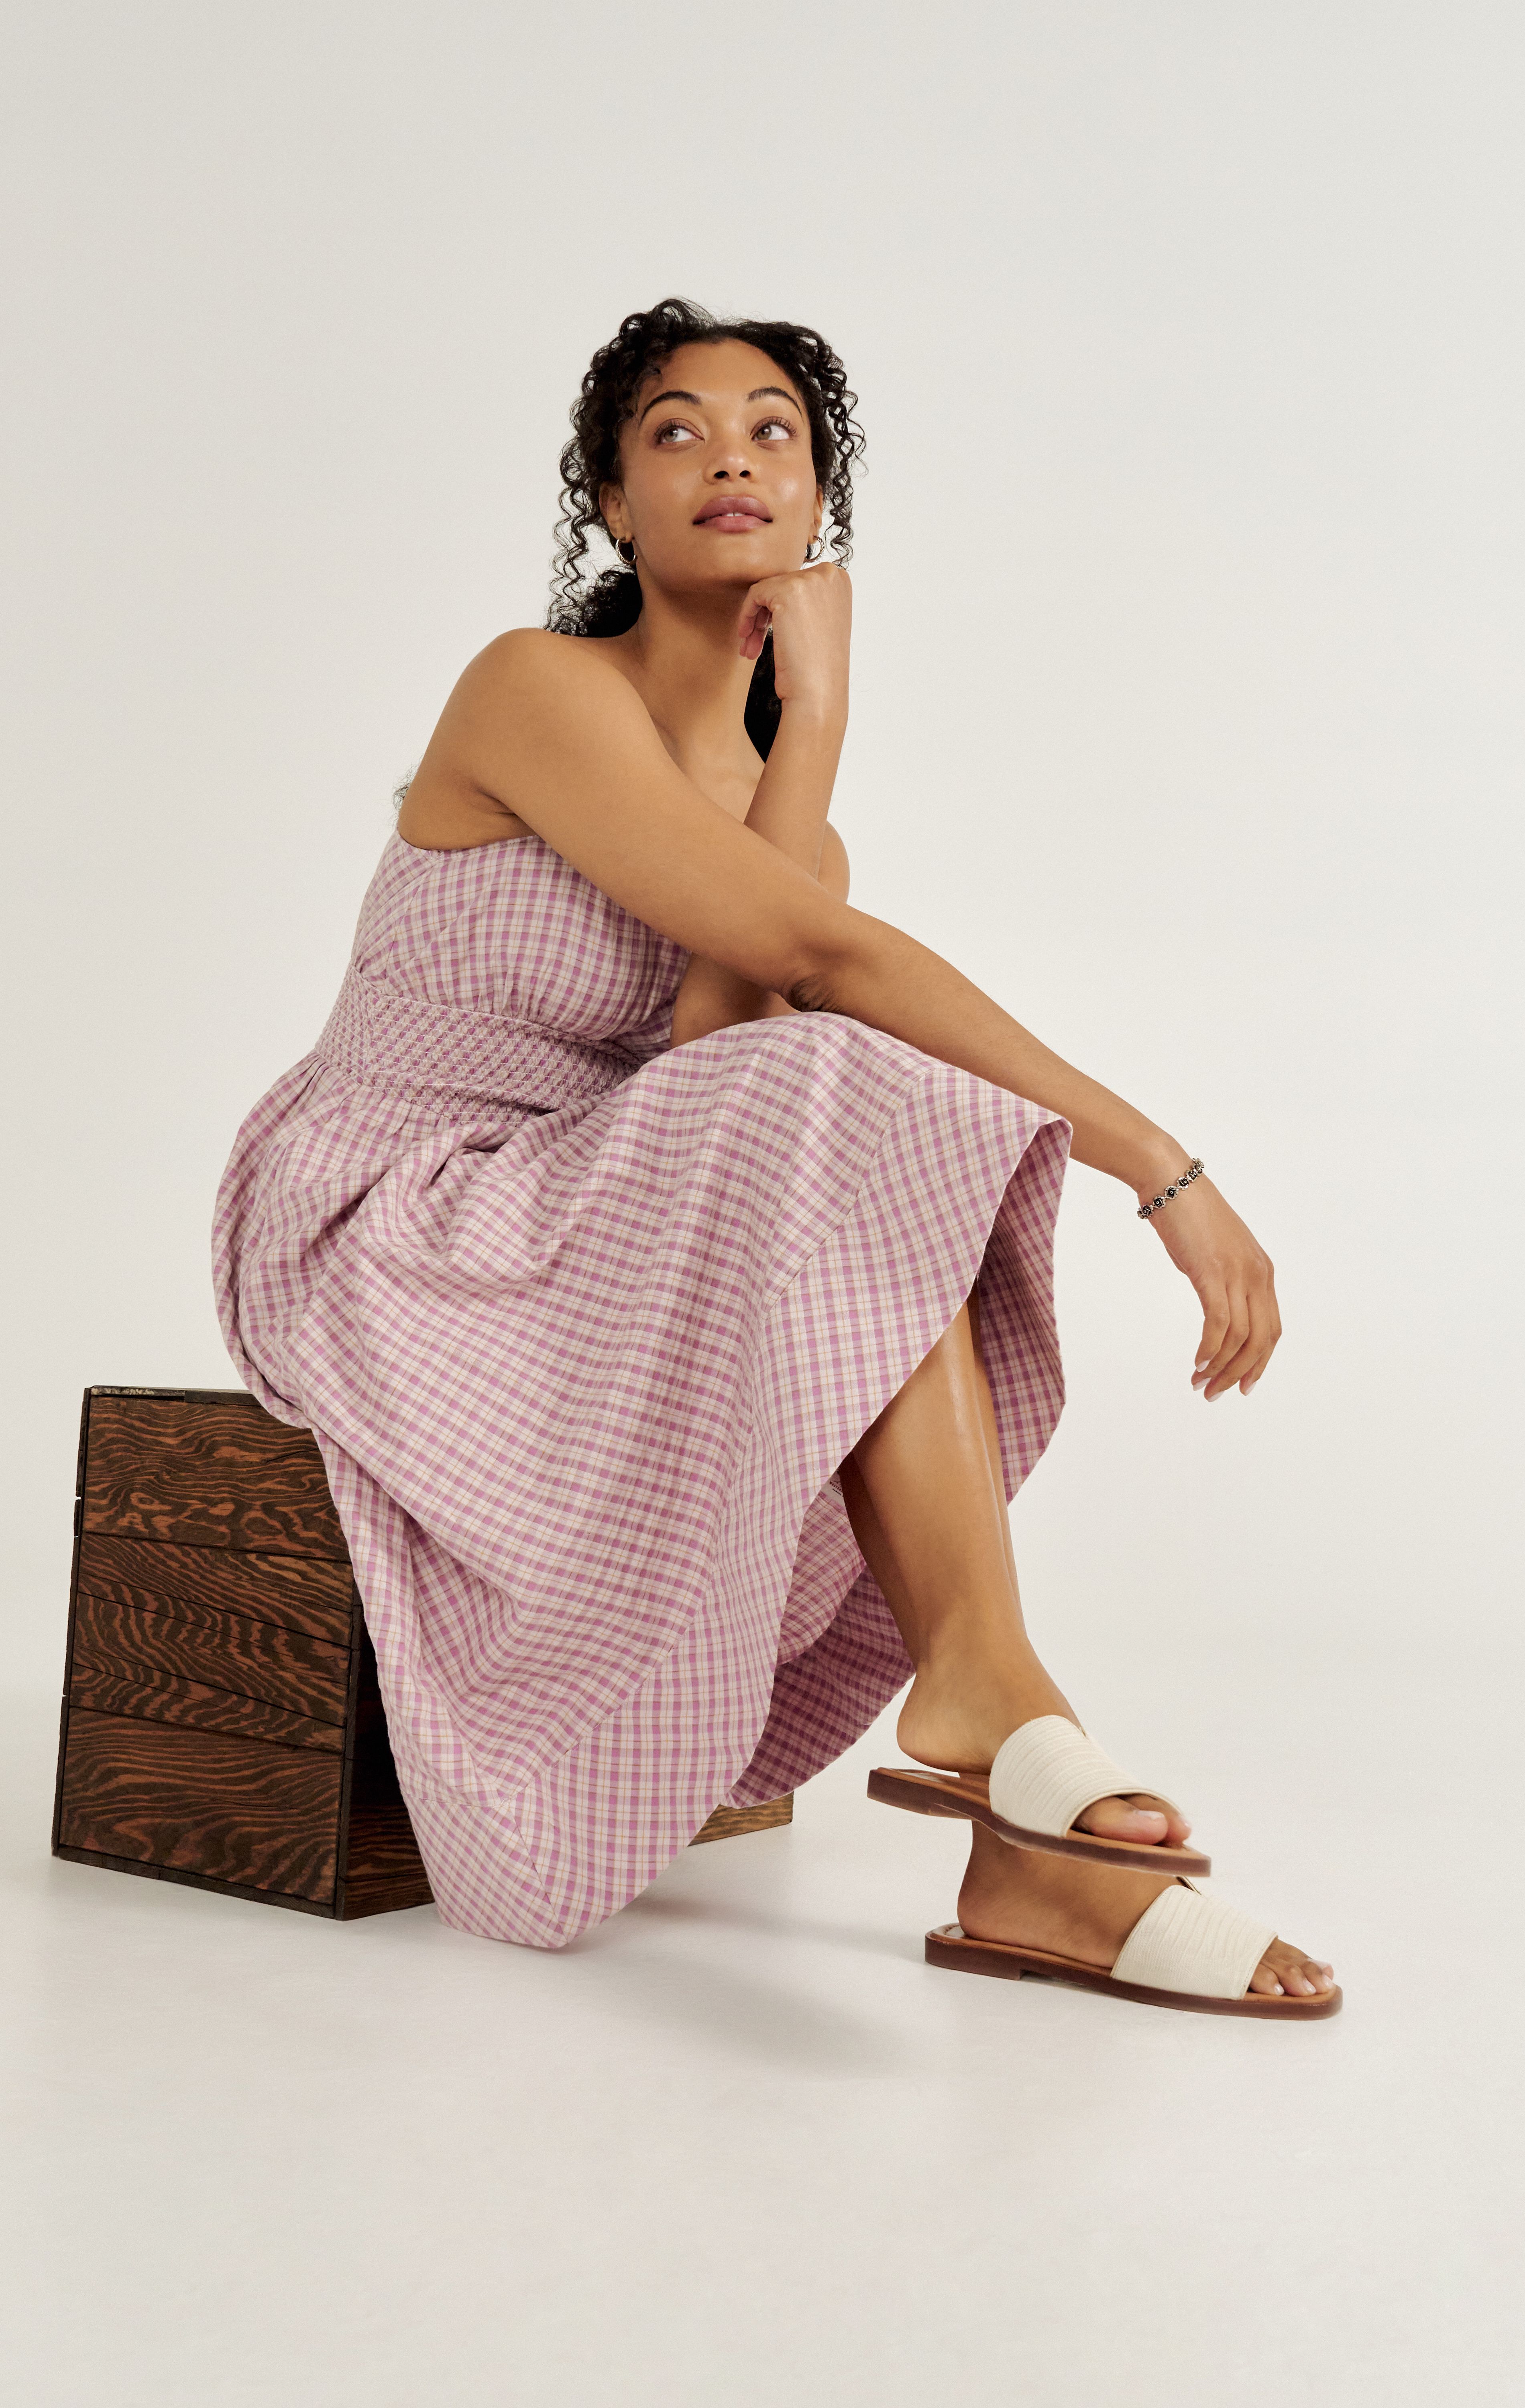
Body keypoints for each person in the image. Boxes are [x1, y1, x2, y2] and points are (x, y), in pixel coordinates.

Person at [213, 297, 1338, 2018]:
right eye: (676, 430)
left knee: (841, 1098)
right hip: (392, 1213)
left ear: (819, 506)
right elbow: (808, 990)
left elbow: (713, 1063)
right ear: (608, 501)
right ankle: (992, 1696)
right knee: (849, 1070)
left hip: (586, 1199)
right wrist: (1159, 1168)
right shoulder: (535, 689)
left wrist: (781, 763)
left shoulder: (764, 795)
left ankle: (1018, 1825)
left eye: (774, 432)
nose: (730, 456)